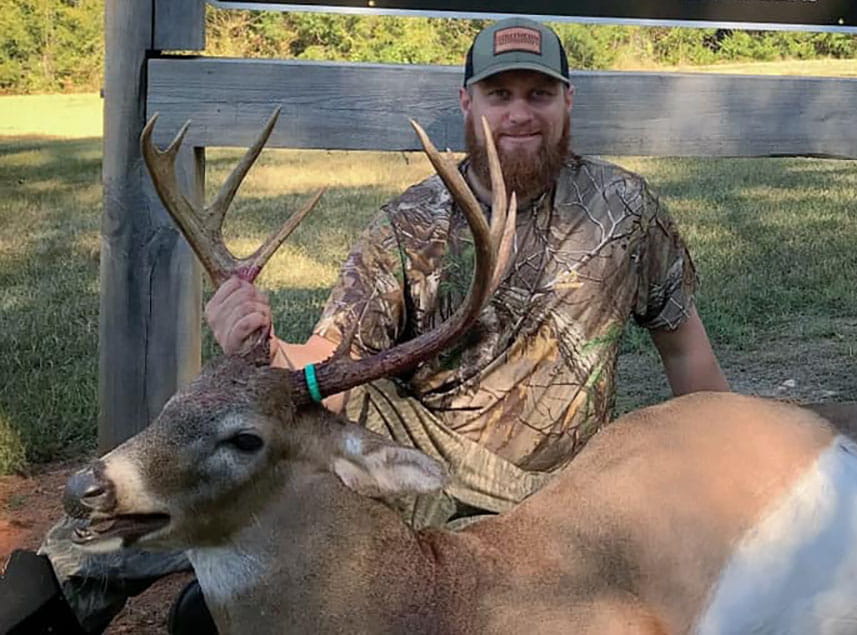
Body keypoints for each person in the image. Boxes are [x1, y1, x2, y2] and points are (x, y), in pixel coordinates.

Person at [2, 16, 728, 634]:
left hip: (565, 488)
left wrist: (720, 462)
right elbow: (326, 364)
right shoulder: (409, 223)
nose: (519, 113)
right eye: (498, 94)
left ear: (568, 101)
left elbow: (685, 344)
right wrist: (257, 345)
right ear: (467, 102)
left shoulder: (625, 210)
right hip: (412, 456)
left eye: (538, 94)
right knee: (234, 449)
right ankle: (53, 602)